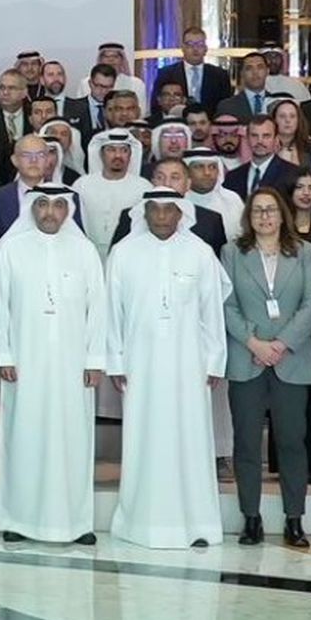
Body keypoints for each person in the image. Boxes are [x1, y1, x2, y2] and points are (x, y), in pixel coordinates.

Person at [0, 185, 106, 545]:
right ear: (31, 209)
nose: (50, 212)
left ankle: (75, 522)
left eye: (57, 205)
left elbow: (97, 310)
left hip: (73, 367)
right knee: (23, 436)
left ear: (67, 210)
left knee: (74, 438)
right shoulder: (13, 250)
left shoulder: (84, 251)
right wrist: (3, 354)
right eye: (42, 205)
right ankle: (17, 519)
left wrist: (94, 359)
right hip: (24, 363)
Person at [107, 189, 228, 548]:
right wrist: (115, 359)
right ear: (144, 213)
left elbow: (212, 314)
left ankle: (197, 525)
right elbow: (113, 314)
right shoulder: (124, 252)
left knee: (190, 440)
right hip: (139, 366)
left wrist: (215, 360)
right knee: (144, 440)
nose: (161, 217)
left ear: (181, 214)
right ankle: (138, 524)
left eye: (169, 210)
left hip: (189, 367)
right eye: (154, 210)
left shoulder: (200, 253)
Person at [222, 187, 311, 548]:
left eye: (271, 210)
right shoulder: (232, 252)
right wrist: (255, 343)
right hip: (247, 358)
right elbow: (226, 304)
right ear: (249, 217)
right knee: (246, 443)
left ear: (283, 215)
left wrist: (280, 345)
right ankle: (251, 518)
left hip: (291, 359)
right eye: (258, 211)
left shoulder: (306, 252)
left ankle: (294, 520)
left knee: (293, 442)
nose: (265, 217)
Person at [72, 129, 149, 257]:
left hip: (129, 254)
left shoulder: (144, 187)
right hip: (88, 253)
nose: (118, 156)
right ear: (101, 154)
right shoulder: (82, 185)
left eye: (124, 150)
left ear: (131, 155)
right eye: (111, 150)